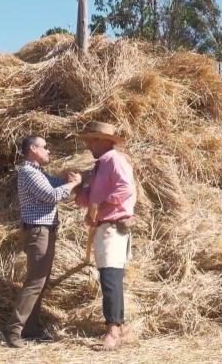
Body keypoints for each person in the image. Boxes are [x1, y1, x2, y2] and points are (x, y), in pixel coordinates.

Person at [4, 136, 82, 348]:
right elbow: (50, 195)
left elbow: (54, 183)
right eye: (45, 147)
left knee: (41, 281)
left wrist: (71, 178)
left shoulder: (38, 173)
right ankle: (13, 330)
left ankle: (30, 328)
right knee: (35, 281)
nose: (49, 151)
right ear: (33, 149)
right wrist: (73, 184)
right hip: (39, 232)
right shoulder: (28, 172)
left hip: (44, 231)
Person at [75, 121, 136, 350]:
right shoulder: (99, 166)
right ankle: (118, 327)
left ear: (102, 141)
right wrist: (79, 186)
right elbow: (85, 201)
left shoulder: (114, 160)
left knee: (110, 278)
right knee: (110, 277)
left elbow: (125, 188)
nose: (88, 144)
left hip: (112, 226)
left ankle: (112, 331)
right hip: (103, 226)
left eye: (91, 140)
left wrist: (99, 203)